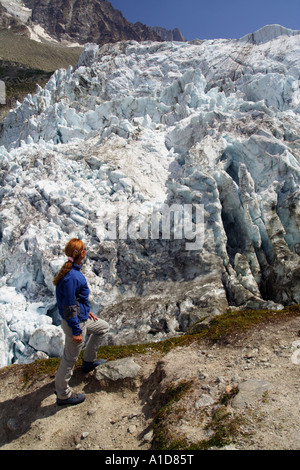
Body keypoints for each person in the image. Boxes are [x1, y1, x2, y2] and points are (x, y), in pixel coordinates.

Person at [53, 238, 110, 406]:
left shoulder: (73, 272)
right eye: (84, 249)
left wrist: (86, 311)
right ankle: (63, 394)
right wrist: (77, 331)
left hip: (82, 319)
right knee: (69, 359)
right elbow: (69, 306)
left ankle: (89, 361)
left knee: (103, 327)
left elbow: (76, 300)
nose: (86, 251)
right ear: (80, 253)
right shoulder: (72, 277)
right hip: (75, 325)